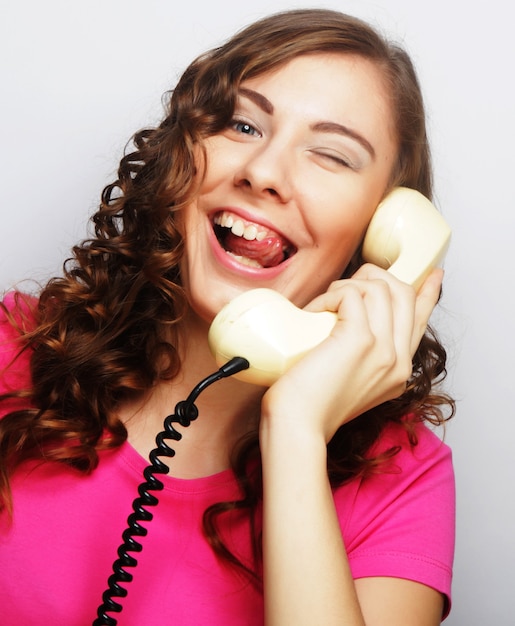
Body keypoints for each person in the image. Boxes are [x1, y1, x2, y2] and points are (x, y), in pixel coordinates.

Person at [0, 8, 455, 625]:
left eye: (331, 155)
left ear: (383, 229)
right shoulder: (14, 346)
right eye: (242, 124)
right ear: (184, 153)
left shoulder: (405, 481)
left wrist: (295, 429)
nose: (263, 173)